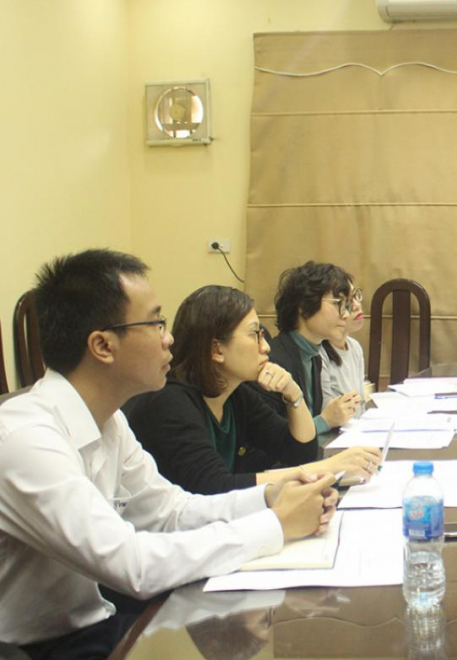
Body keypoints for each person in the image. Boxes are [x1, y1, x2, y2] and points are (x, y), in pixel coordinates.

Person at [0, 250, 337, 657]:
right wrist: (275, 525)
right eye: (156, 322)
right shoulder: (24, 440)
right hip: (40, 648)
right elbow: (134, 565)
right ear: (103, 345)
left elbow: (170, 513)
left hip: (102, 621)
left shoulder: (108, 420)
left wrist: (270, 496)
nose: (169, 337)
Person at [126, 285, 380, 495]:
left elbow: (298, 449)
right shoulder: (171, 402)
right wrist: (326, 468)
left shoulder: (235, 394)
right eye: (254, 335)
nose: (265, 347)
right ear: (216, 350)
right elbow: (216, 487)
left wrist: (293, 393)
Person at [268, 262, 362, 435]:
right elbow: (273, 441)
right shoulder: (275, 361)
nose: (346, 314)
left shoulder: (314, 356)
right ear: (304, 306)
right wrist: (325, 421)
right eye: (338, 303)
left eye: (346, 305)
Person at [320, 274, 367, 415]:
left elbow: (360, 405)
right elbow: (327, 412)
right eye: (346, 301)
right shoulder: (319, 353)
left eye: (356, 296)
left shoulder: (355, 347)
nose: (357, 306)